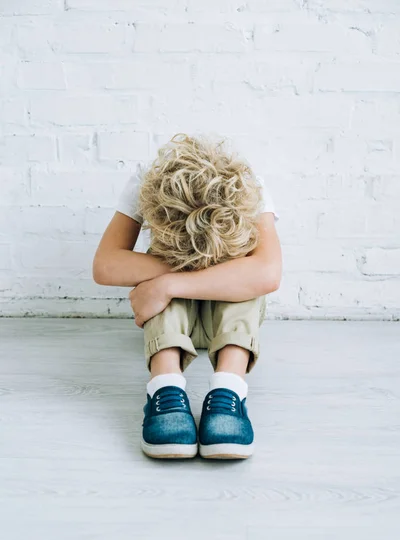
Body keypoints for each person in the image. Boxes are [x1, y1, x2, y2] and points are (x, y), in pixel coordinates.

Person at [93, 134, 282, 460]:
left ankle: (229, 386)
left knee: (246, 268)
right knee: (159, 263)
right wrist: (177, 271)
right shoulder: (146, 178)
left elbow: (267, 273)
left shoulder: (248, 184)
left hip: (229, 322)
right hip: (171, 325)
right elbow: (106, 265)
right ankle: (166, 382)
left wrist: (168, 285)